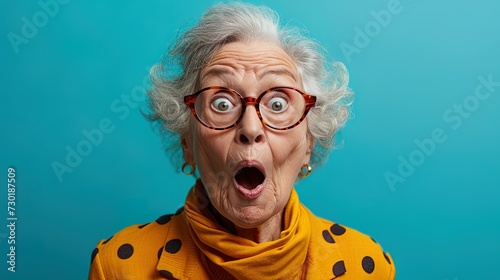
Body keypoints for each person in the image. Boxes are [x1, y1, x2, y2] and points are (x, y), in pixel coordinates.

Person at [89, 2, 395, 279]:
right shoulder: (119, 266)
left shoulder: (367, 267)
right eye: (222, 104)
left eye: (277, 104)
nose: (250, 127)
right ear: (187, 142)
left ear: (309, 143)